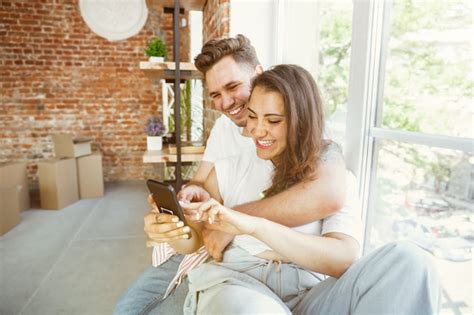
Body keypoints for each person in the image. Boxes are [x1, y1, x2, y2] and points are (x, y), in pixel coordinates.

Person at [176, 64, 440, 314]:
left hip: (310, 293)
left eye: (274, 120)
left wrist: (257, 225)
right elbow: (197, 236)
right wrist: (170, 226)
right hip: (240, 284)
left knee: (411, 261)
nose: (258, 130)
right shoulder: (228, 169)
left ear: (301, 122)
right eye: (253, 117)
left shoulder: (334, 178)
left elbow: (343, 259)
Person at [114, 35, 347, 314]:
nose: (225, 102)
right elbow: (202, 183)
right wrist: (184, 201)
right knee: (129, 308)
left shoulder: (306, 134)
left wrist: (233, 220)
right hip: (215, 246)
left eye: (233, 86)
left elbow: (328, 195)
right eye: (215, 94)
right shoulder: (226, 131)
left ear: (259, 74)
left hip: (239, 250)